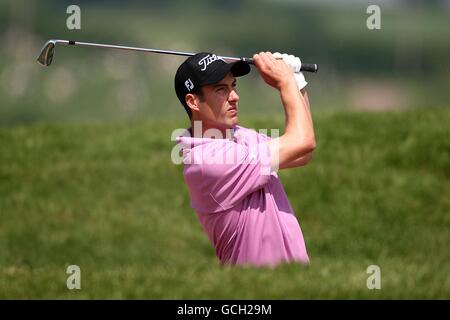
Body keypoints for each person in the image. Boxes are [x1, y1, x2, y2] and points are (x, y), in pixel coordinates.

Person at [174, 51, 316, 267]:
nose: (234, 96)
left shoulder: (239, 135)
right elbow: (302, 141)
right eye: (221, 89)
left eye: (233, 86)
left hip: (296, 281)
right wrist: (285, 81)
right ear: (193, 101)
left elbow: (302, 153)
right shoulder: (207, 162)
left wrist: (297, 82)